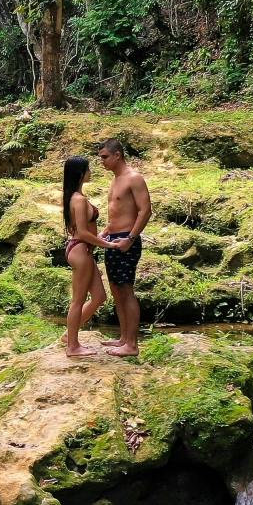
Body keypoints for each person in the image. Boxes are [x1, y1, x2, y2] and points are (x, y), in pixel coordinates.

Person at [96, 137, 151, 357]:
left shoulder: (134, 178)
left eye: (105, 157)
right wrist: (106, 231)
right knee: (116, 290)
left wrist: (130, 238)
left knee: (126, 290)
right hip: (113, 239)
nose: (102, 161)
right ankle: (123, 338)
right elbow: (118, 212)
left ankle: (132, 344)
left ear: (117, 155)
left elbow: (145, 211)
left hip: (127, 241)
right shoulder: (115, 179)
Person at [60, 156, 110, 356]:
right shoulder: (78, 200)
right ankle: (72, 346)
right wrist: (107, 244)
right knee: (78, 300)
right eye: (88, 169)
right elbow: (81, 232)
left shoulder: (76, 196)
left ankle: (68, 335)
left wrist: (101, 235)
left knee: (99, 296)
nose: (91, 172)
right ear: (81, 174)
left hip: (83, 249)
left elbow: (84, 230)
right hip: (80, 249)